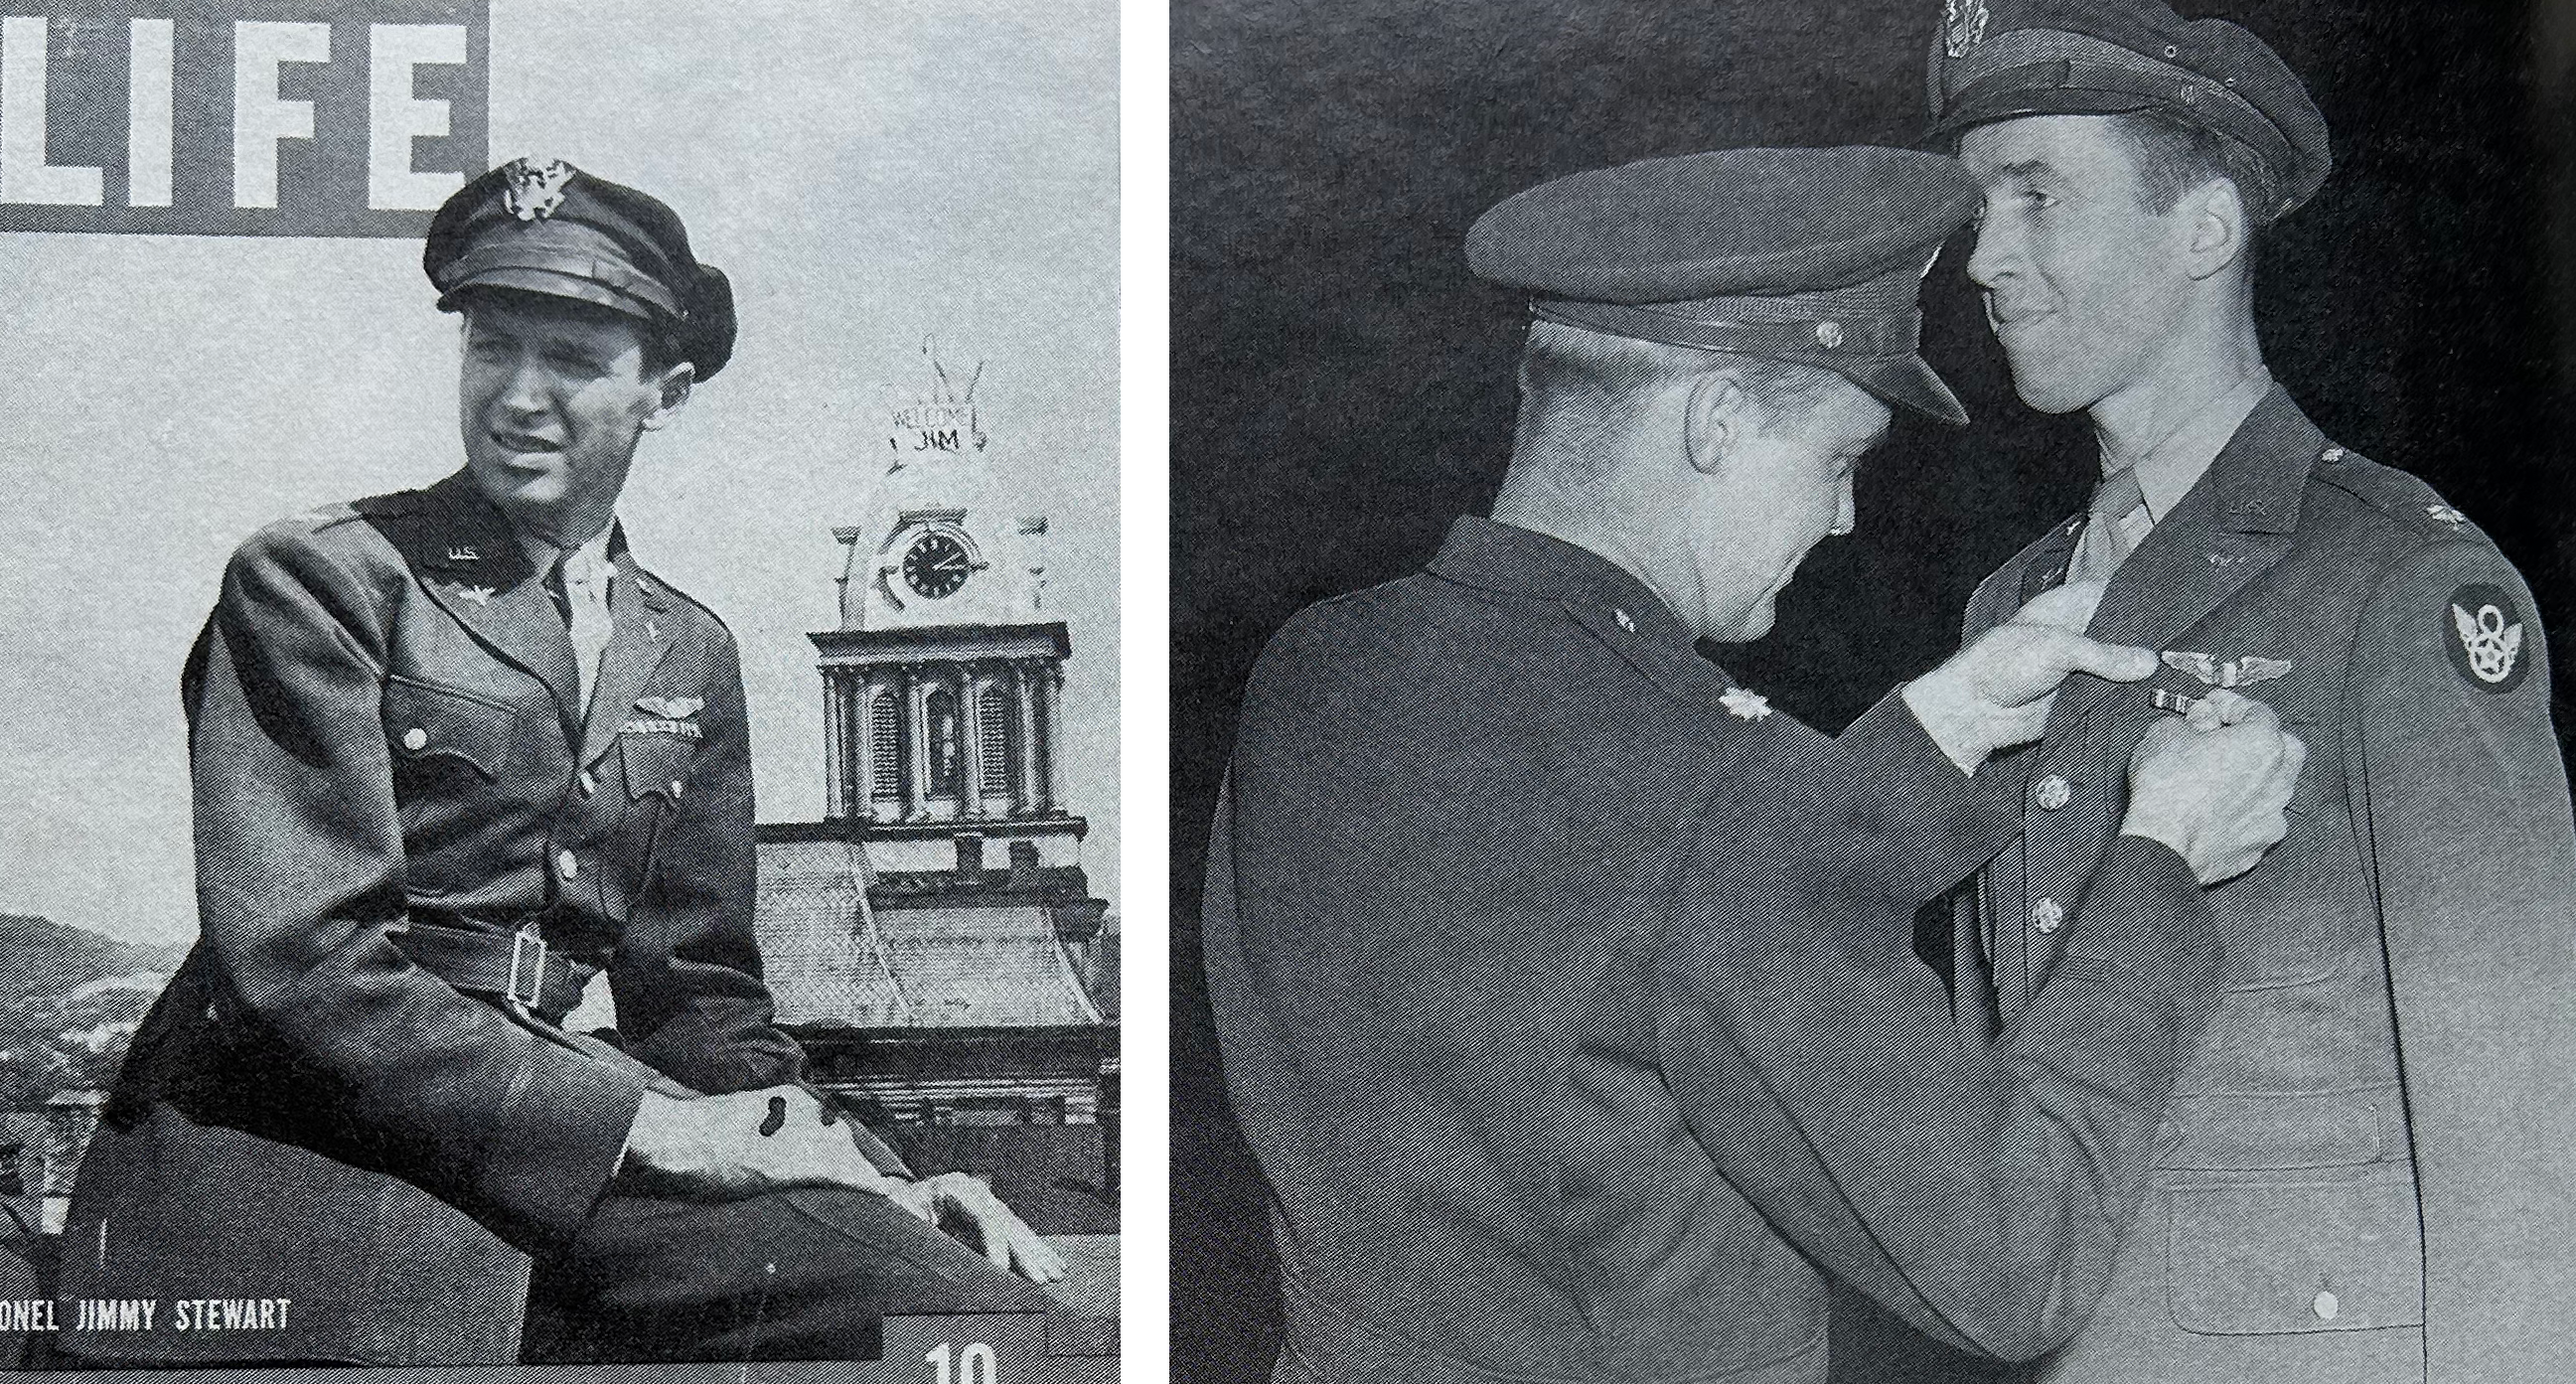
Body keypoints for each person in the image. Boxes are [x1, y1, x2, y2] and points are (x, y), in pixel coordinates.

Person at [1202, 144, 2307, 1384]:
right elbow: (2018, 1259)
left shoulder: (1316, 667)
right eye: (1839, 460)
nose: (1841, 520)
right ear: (1715, 422)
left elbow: (1580, 913)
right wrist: (2159, 862)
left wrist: (1929, 736)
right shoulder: (1723, 802)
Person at [58, 158, 1063, 1367]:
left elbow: (700, 1002)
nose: (517, 397)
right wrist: (655, 1129)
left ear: (665, 390)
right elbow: (304, 968)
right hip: (301, 1163)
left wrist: (885, 1175)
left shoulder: (684, 646)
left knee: (982, 1328)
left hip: (566, 1160)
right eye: (491, 347)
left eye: (573, 361)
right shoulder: (321, 580)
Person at [1910, 3, 2576, 1379]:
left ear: (2204, 229)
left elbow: (2519, 1146)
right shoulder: (2008, 614)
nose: (1984, 258)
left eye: (2036, 196)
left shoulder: (2397, 587)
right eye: (1978, 209)